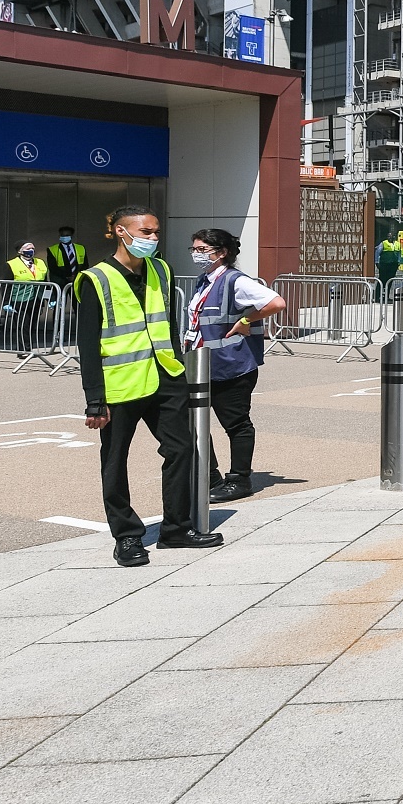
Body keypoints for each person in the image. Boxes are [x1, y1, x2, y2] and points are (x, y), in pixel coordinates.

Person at [78, 206, 223, 566]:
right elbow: (87, 344)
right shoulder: (95, 279)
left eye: (156, 232)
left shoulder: (162, 269)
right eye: (145, 232)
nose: (153, 238)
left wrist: (180, 372)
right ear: (120, 232)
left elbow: (168, 325)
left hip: (165, 378)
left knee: (182, 450)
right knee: (115, 462)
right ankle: (126, 537)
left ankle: (176, 529)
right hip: (120, 386)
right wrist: (95, 400)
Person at [184, 228, 287, 503]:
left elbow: (276, 302)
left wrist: (245, 321)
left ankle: (239, 479)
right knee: (191, 421)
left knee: (236, 423)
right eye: (194, 249)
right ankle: (210, 476)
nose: (196, 254)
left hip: (231, 366)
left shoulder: (235, 280)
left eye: (202, 250)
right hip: (202, 364)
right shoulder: (204, 280)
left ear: (222, 252)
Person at [3, 242, 52, 354]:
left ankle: (28, 347)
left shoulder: (40, 263)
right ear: (20, 251)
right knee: (22, 325)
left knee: (31, 325)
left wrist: (50, 299)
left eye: (33, 248)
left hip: (36, 299)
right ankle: (23, 350)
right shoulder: (11, 264)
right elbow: (6, 285)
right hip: (19, 300)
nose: (31, 250)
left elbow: (45, 282)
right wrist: (6, 302)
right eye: (28, 248)